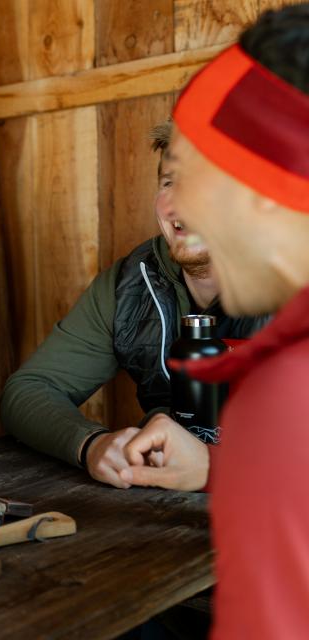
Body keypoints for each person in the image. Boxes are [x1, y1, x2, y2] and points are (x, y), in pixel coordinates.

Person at [119, 4, 309, 637]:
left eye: (191, 175)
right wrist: (217, 467)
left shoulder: (286, 396)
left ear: (263, 185)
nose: (177, 207)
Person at [0, 121, 268, 489]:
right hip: (159, 521)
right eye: (170, 182)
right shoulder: (129, 283)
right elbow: (28, 390)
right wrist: (90, 444)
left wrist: (211, 466)